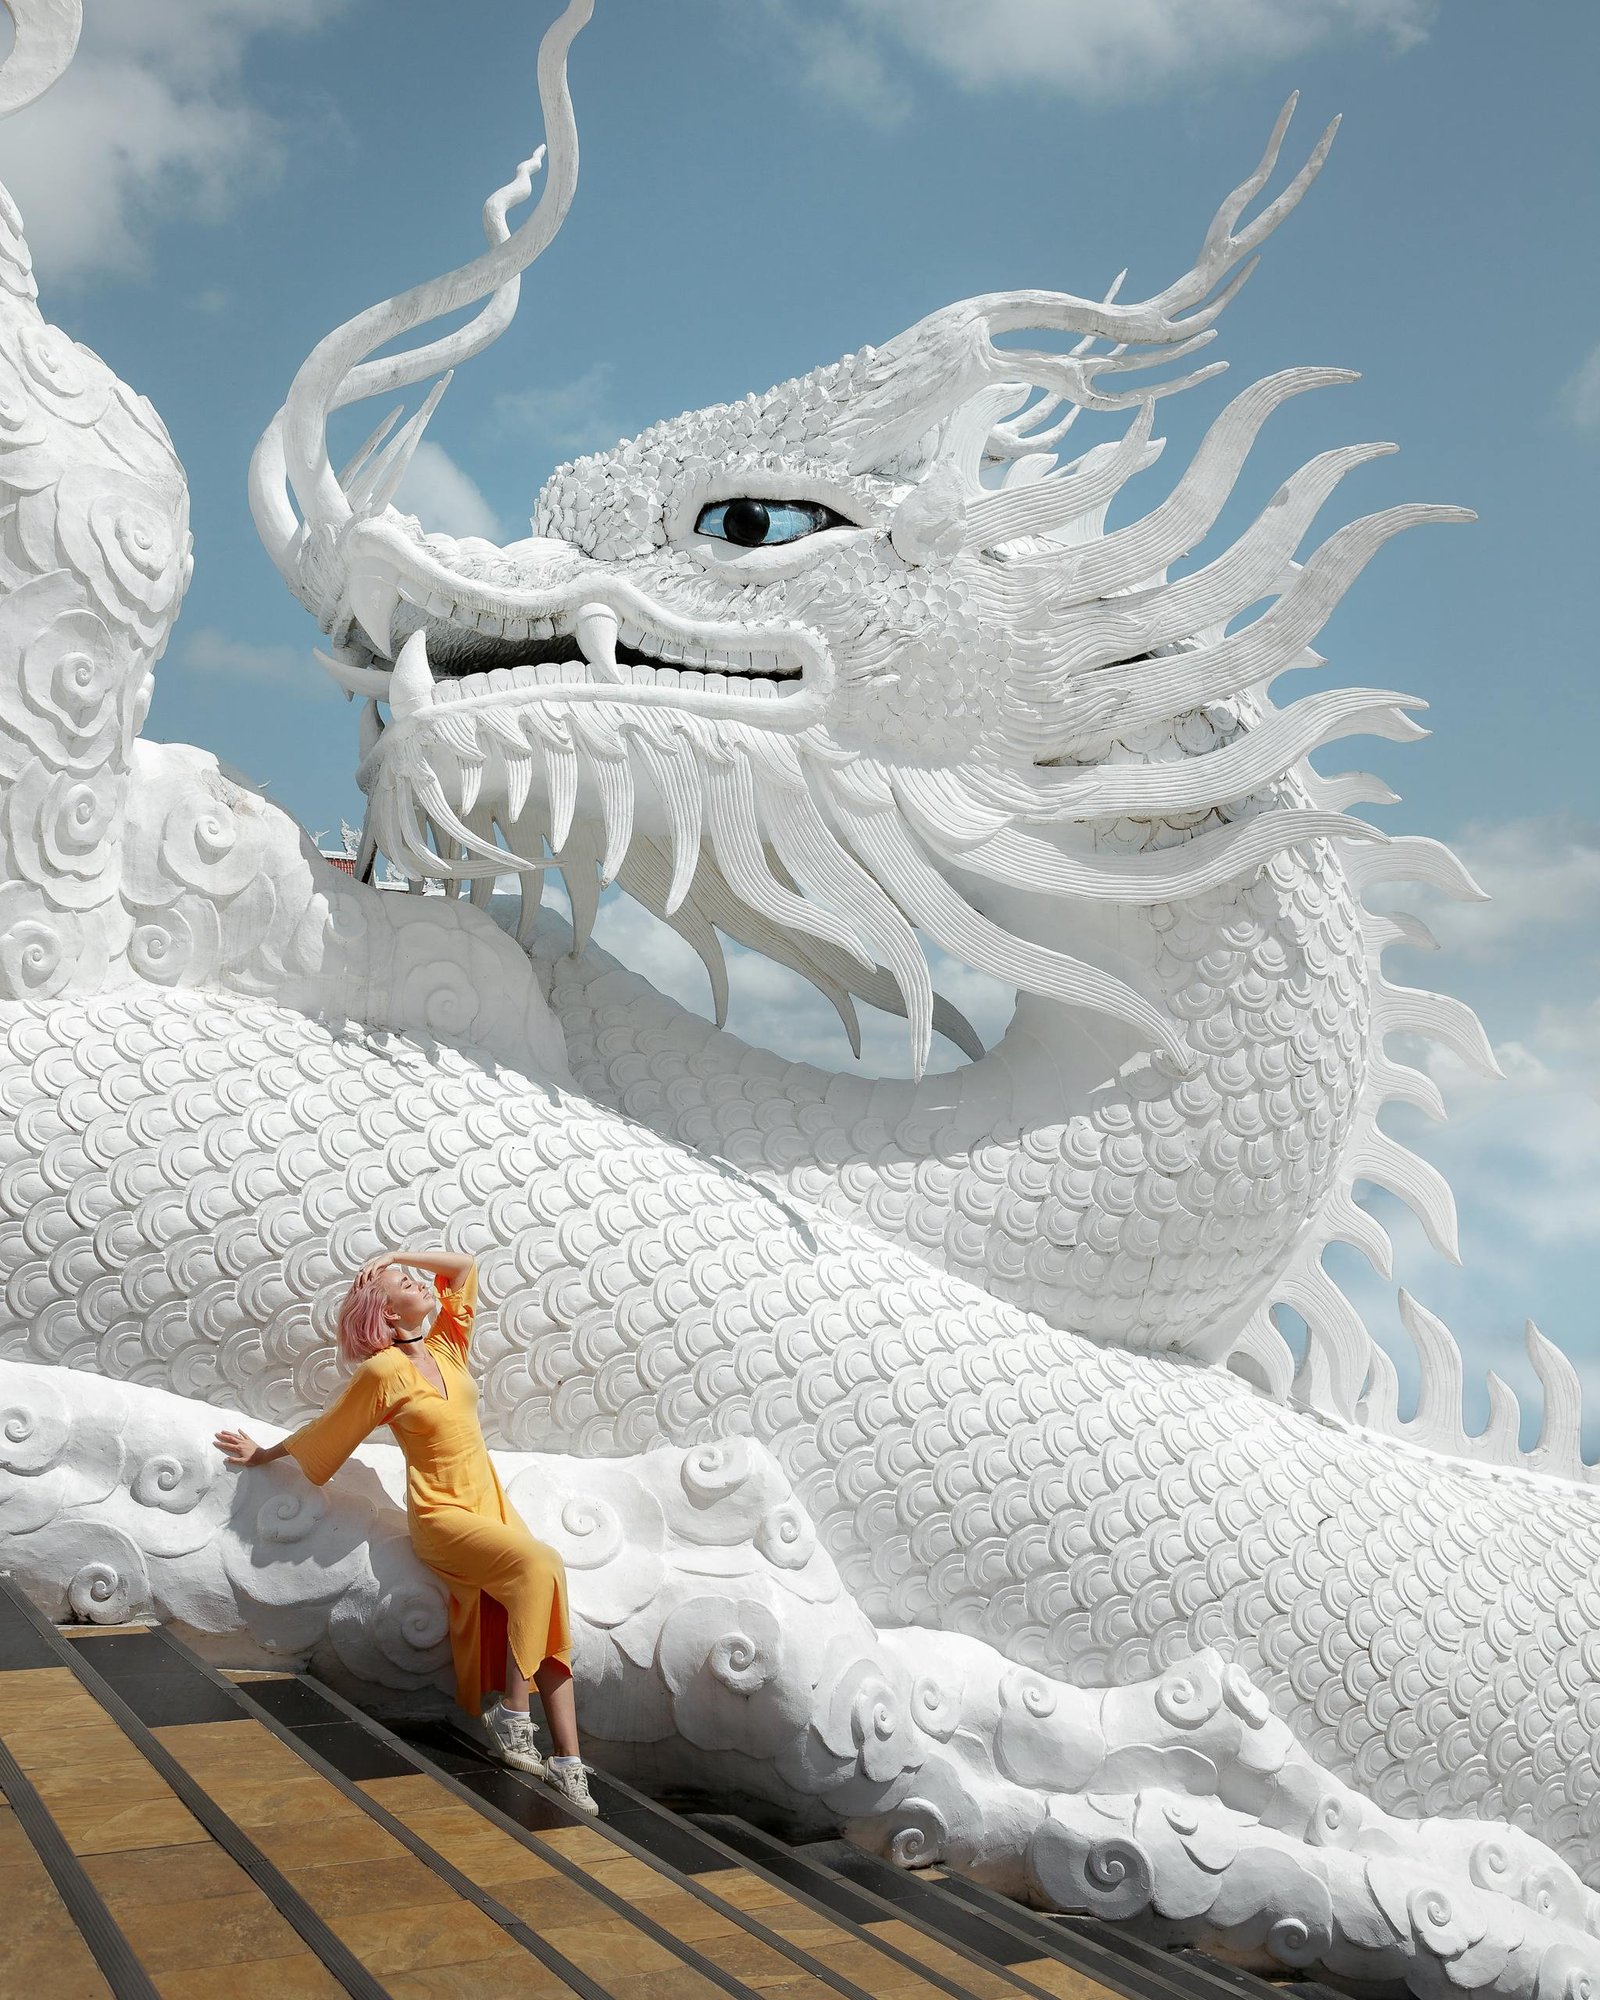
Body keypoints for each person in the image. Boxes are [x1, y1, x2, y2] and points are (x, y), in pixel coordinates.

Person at [214, 1247, 597, 1816]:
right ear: (388, 1314)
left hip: (491, 1510)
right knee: (542, 1565)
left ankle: (567, 1760)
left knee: (545, 1601)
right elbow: (330, 1429)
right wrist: (263, 1453)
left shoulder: (446, 1348)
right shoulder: (383, 1373)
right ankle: (514, 1715)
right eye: (406, 1282)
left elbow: (463, 1269)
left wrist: (393, 1254)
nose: (422, 1284)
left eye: (417, 1279)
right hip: (443, 1517)